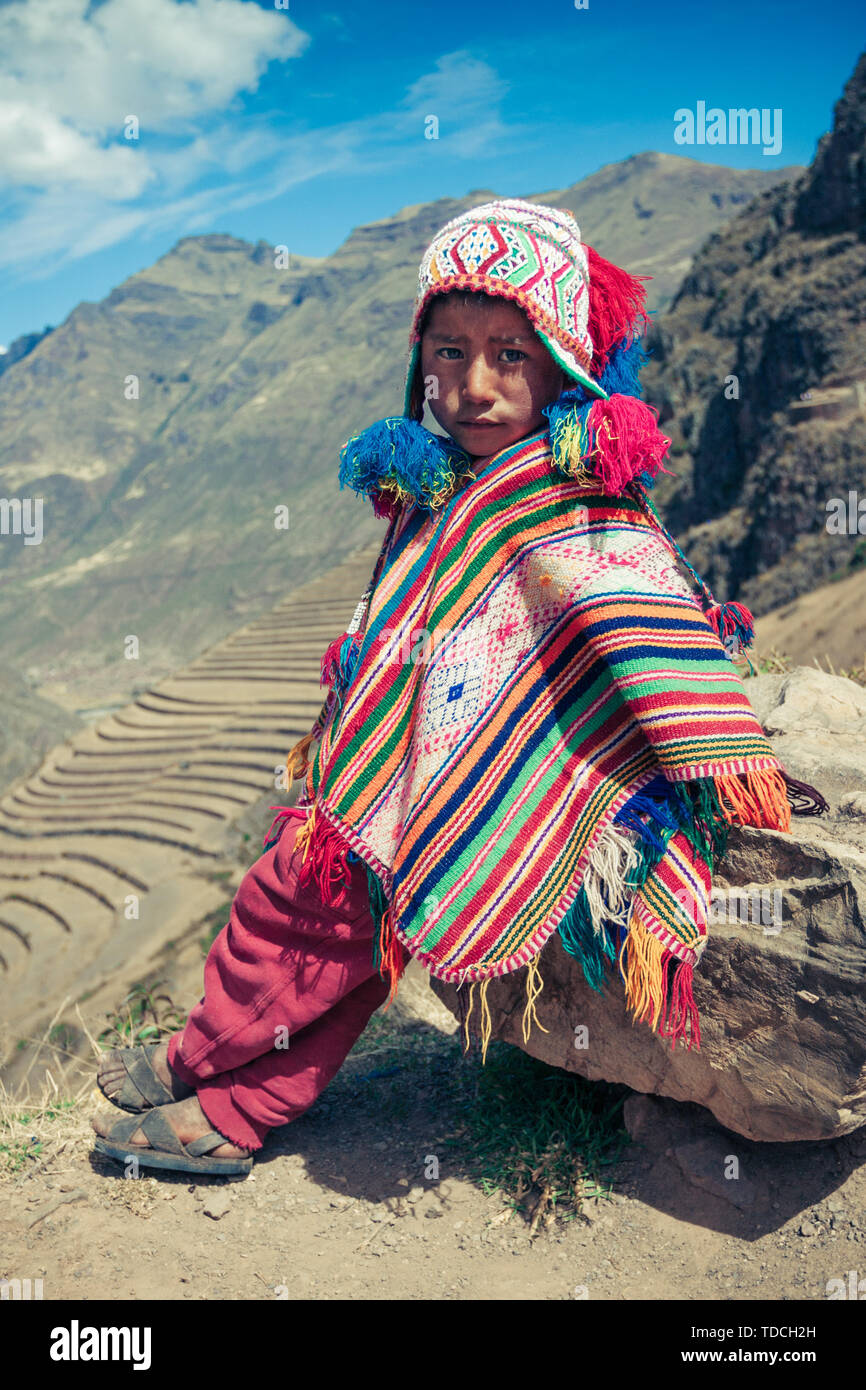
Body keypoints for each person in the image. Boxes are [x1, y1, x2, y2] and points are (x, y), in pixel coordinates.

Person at [92, 199, 826, 1176]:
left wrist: (704, 738)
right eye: (447, 351)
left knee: (321, 914)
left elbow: (637, 602)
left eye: (507, 355)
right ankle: (205, 1057)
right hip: (391, 773)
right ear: (417, 356)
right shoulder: (440, 484)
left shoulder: (566, 501)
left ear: (557, 361)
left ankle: (234, 1102)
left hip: (460, 786)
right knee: (294, 904)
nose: (471, 386)